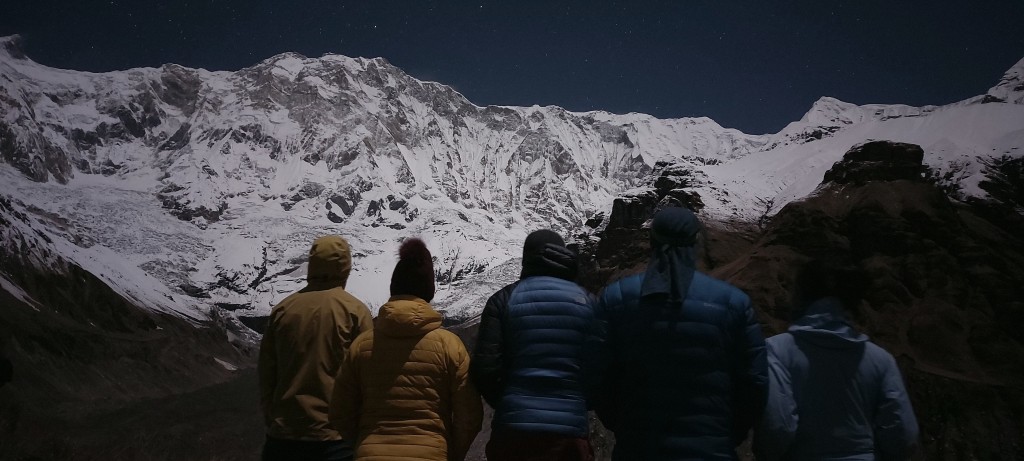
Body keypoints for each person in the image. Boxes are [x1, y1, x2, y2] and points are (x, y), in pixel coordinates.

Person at [596, 206, 767, 460]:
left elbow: (599, 378)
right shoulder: (734, 303)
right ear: (696, 242)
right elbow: (755, 383)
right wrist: (728, 434)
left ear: (651, 243)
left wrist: (623, 426)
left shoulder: (616, 299)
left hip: (638, 449)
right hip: (711, 450)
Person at [330, 237, 482, 461]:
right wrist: (451, 453)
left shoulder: (361, 346)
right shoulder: (450, 346)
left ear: (394, 287)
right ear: (429, 290)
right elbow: (469, 415)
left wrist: (364, 444)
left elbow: (339, 411)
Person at [753, 260, 919, 461]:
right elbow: (903, 434)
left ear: (802, 295)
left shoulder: (777, 350)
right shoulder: (881, 359)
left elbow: (777, 427)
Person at [470, 229, 605, 461]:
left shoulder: (503, 300)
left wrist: (509, 403)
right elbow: (602, 368)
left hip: (513, 433)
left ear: (527, 259)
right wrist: (577, 402)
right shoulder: (589, 303)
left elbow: (485, 368)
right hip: (569, 436)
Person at [258, 235, 373, 461]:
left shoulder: (282, 310)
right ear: (345, 267)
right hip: (335, 439)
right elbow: (368, 375)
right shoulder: (355, 311)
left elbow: (266, 374)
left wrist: (274, 418)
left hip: (283, 438)